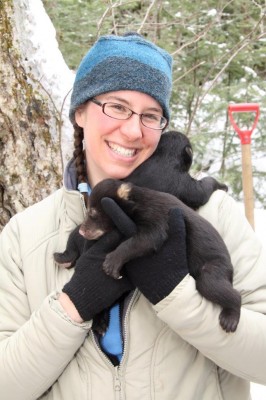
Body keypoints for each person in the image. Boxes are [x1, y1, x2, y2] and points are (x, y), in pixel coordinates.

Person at [0, 32, 266, 400]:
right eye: (117, 106)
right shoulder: (24, 234)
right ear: (80, 111)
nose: (132, 130)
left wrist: (178, 296)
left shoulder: (213, 216)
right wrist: (74, 304)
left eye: (150, 115)